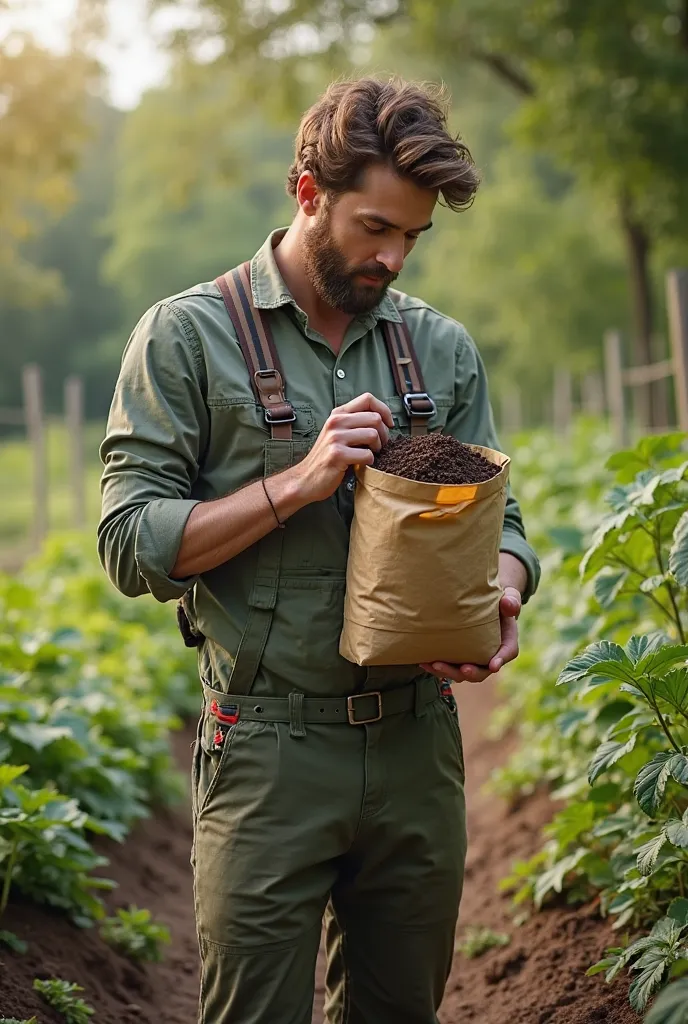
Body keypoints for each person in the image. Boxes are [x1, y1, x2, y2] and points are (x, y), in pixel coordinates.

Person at [98, 76, 540, 1024]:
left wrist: (500, 595)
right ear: (307, 193)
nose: (393, 256)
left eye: (413, 237)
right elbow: (131, 542)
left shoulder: (442, 350)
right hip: (266, 750)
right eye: (374, 228)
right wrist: (295, 482)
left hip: (420, 747)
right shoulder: (186, 338)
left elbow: (503, 526)